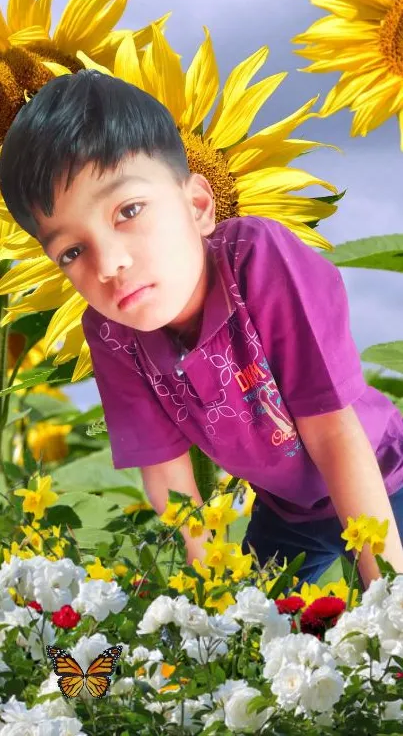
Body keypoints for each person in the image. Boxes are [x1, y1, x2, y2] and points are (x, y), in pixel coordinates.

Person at [1, 69, 403, 589]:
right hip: (291, 513)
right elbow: (169, 478)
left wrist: (389, 606)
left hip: (382, 475)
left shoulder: (259, 261)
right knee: (246, 638)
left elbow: (333, 432)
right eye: (72, 251)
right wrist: (209, 602)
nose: (109, 263)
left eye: (128, 211)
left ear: (198, 205)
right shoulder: (111, 332)